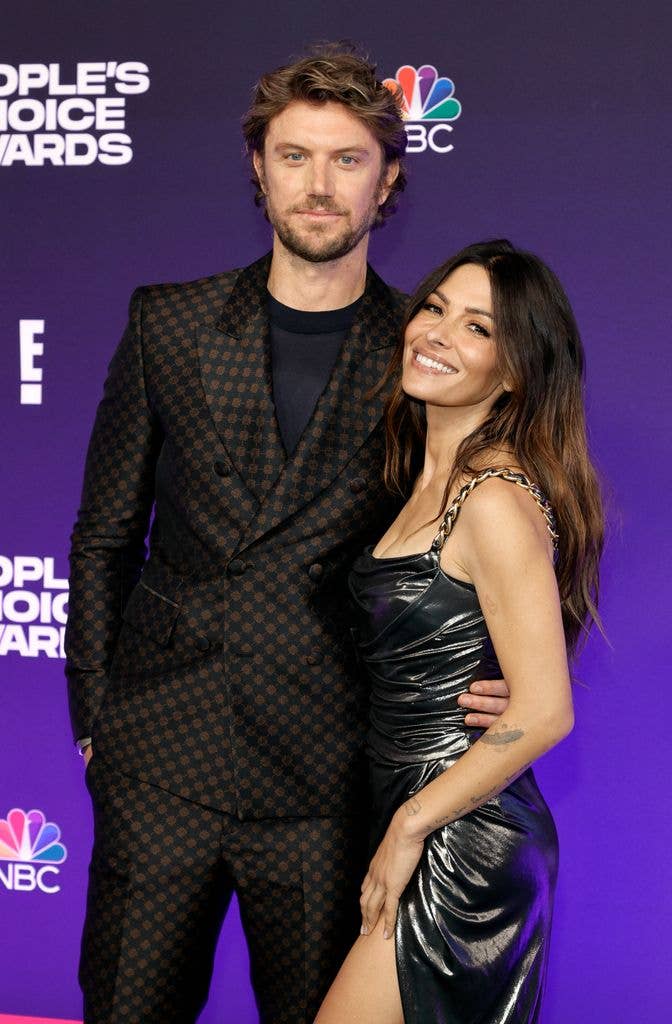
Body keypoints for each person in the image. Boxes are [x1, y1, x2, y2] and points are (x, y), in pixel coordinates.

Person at [65, 49, 509, 1024]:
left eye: (347, 160)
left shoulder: (423, 351)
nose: (318, 185)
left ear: (388, 177)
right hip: (159, 760)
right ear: (257, 171)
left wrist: (517, 651)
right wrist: (99, 722)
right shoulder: (168, 325)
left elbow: (506, 503)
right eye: (294, 157)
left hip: (325, 770)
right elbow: (102, 536)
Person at [315, 240, 604, 1024]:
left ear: (513, 372)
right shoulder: (425, 476)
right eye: (436, 307)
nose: (438, 333)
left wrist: (410, 826)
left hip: (460, 839)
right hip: (414, 811)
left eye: (478, 328)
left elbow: (544, 710)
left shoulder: (493, 499)